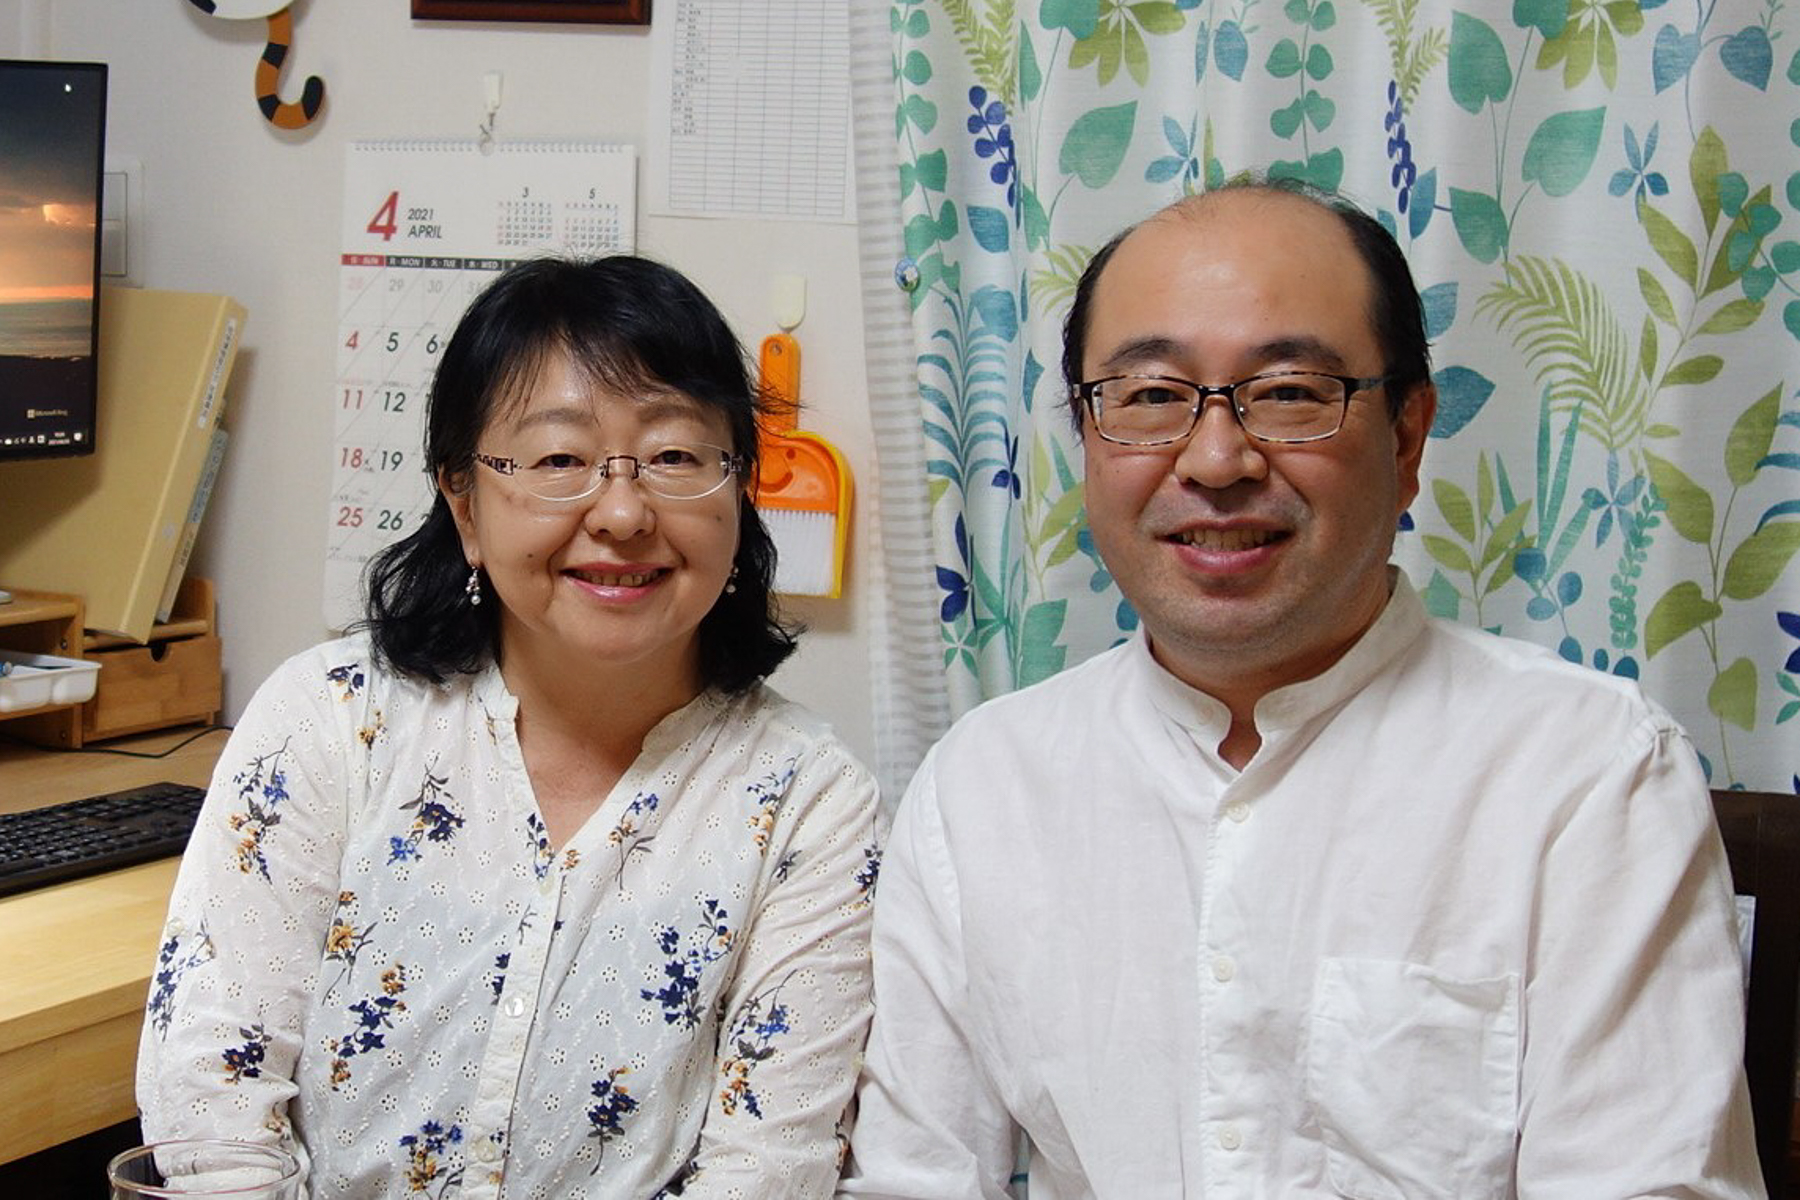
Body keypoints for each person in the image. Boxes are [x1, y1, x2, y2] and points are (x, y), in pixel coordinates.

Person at [837, 178, 1762, 1198]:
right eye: (1150, 397)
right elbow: (912, 1180)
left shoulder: (1588, 775)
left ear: (1408, 436)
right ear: (1088, 437)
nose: (1218, 458)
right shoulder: (983, 788)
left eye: (1289, 393)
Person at [137, 255, 884, 1198]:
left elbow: (768, 1170)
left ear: (738, 488)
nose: (621, 511)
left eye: (676, 456)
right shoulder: (329, 720)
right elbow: (213, 1097)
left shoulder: (808, 805)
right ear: (465, 503)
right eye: (560, 460)